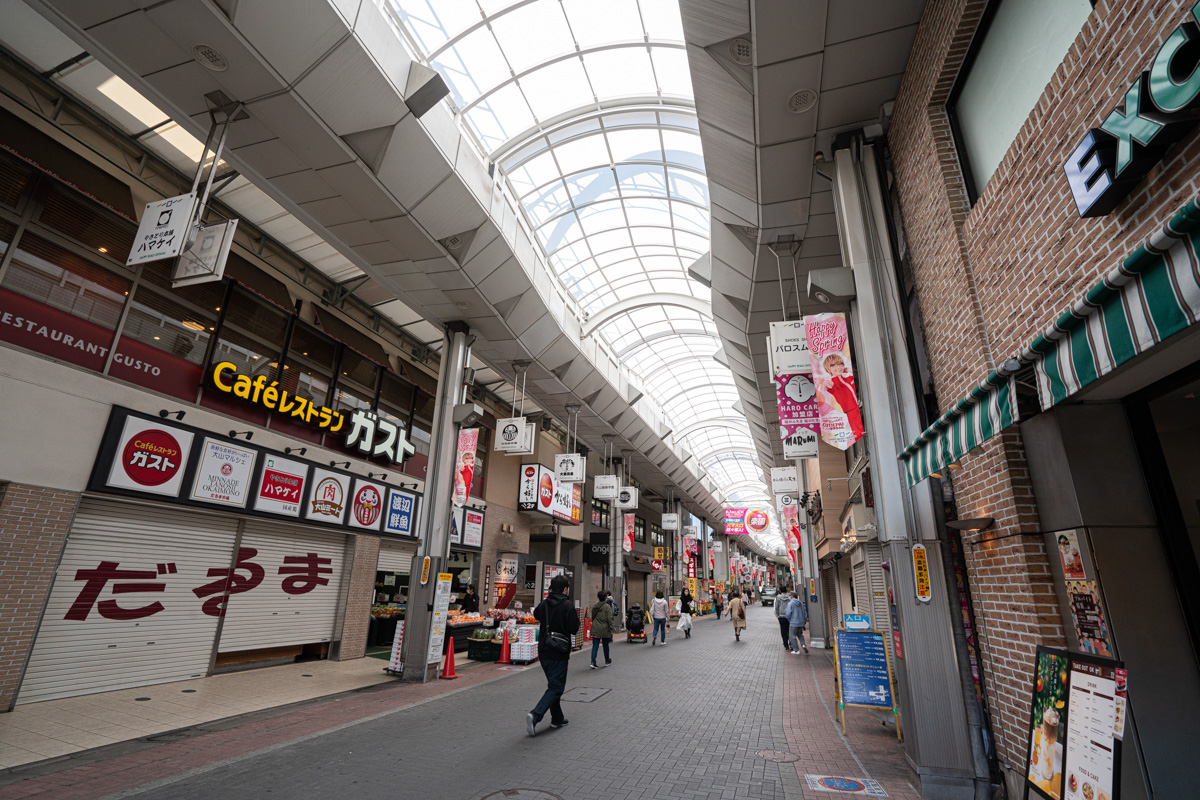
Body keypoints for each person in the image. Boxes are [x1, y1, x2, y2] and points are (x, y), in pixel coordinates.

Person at [526, 575, 579, 736]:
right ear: (565, 589)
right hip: (559, 651)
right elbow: (574, 628)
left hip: (543, 650)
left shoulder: (544, 604)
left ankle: (557, 718)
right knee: (556, 687)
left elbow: (536, 615)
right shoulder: (568, 605)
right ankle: (535, 715)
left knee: (553, 685)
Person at [589, 590, 614, 669]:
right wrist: (611, 627)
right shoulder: (607, 607)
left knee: (595, 645)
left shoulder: (595, 606)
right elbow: (609, 618)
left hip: (596, 627)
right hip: (604, 628)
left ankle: (593, 662)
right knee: (605, 645)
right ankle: (607, 660)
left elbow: (593, 617)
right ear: (605, 597)